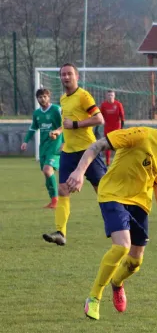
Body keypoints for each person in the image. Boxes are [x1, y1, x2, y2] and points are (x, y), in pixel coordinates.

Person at [65, 107, 157, 320]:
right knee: (121, 246)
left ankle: (117, 283)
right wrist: (79, 172)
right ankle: (94, 298)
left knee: (136, 261)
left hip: (140, 203)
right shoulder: (140, 135)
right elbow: (97, 145)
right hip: (112, 194)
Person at [42, 63, 106, 246]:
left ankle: (122, 224)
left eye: (69, 74)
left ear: (76, 77)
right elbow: (68, 122)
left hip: (88, 150)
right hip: (68, 152)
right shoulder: (63, 99)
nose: (66, 77)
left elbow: (99, 119)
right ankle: (60, 232)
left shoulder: (84, 96)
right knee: (62, 189)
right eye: (63, 74)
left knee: (102, 190)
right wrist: (59, 130)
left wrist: (76, 125)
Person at [21, 88, 63, 209]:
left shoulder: (56, 110)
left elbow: (64, 125)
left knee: (47, 170)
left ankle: (56, 200)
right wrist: (25, 141)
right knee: (46, 174)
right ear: (37, 99)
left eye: (45, 96)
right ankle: (53, 199)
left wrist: (64, 142)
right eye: (40, 97)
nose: (42, 99)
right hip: (43, 146)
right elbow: (33, 128)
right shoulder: (37, 113)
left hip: (55, 145)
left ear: (49, 97)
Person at [99, 90, 126, 166]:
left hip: (117, 128)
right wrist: (97, 127)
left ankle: (118, 161)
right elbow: (100, 116)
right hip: (107, 128)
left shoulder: (118, 104)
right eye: (109, 95)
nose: (110, 97)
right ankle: (107, 162)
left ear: (114, 96)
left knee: (118, 145)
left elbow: (122, 117)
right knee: (107, 145)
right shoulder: (103, 105)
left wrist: (122, 128)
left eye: (112, 95)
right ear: (106, 96)